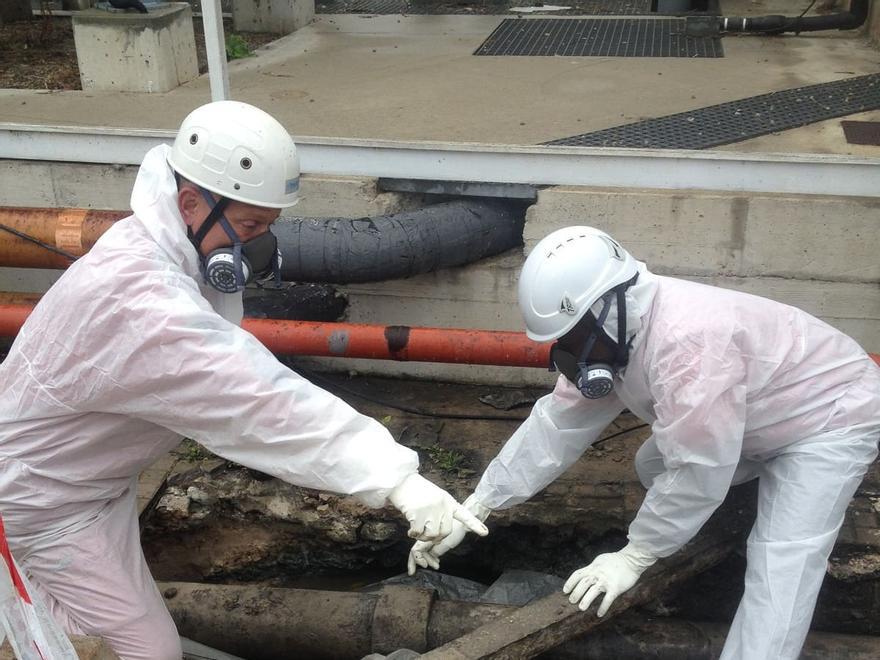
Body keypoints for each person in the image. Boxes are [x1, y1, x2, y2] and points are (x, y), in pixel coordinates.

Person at [0, 100, 487, 660]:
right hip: (41, 502)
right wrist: (398, 480)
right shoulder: (138, 301)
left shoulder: (172, 246)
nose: (256, 245)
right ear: (190, 202)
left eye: (267, 227)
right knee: (148, 651)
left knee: (61, 627)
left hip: (86, 483)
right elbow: (254, 398)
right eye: (251, 226)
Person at [408, 225, 880, 660]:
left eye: (574, 336)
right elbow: (558, 425)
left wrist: (636, 555)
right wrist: (480, 504)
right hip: (754, 413)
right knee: (653, 466)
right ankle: (736, 502)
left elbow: (698, 467)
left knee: (782, 556)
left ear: (609, 302)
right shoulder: (610, 333)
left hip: (829, 416)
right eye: (562, 341)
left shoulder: (687, 346)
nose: (573, 351)